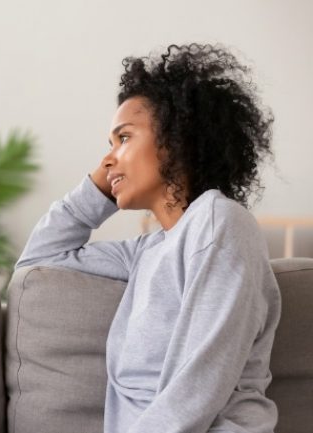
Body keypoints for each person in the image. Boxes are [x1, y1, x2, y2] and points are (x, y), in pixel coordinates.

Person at [17, 43, 279, 432]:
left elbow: (200, 384)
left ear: (176, 138)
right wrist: (102, 186)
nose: (107, 160)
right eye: (109, 145)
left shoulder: (220, 222)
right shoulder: (146, 251)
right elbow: (38, 260)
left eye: (124, 138)